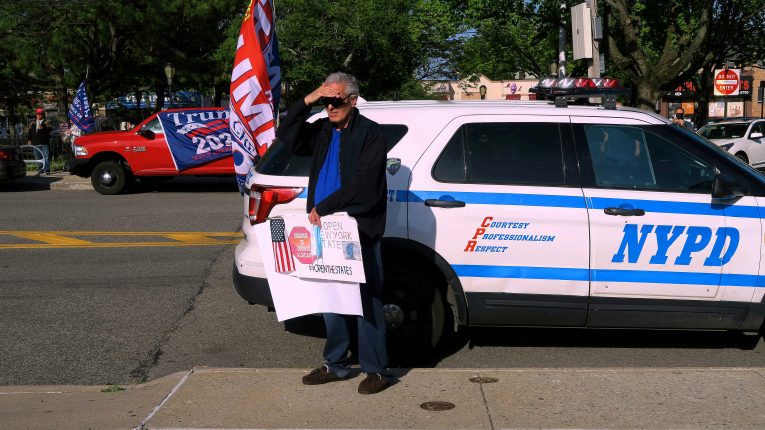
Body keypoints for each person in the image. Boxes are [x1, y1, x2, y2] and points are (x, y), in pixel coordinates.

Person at [276, 72, 392, 395]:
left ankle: (376, 370)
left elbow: (364, 186)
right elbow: (286, 135)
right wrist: (308, 100)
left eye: (336, 100)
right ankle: (336, 364)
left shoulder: (371, 134)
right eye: (326, 101)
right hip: (324, 228)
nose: (330, 106)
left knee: (366, 300)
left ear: (353, 100)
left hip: (357, 228)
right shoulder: (323, 129)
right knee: (332, 299)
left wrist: (325, 206)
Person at [27, 108, 53, 175]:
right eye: (37, 114)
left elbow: (50, 129)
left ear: (42, 115)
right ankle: (40, 169)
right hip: (35, 143)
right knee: (38, 157)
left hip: (44, 142)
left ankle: (47, 169)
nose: (39, 115)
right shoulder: (32, 123)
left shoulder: (46, 122)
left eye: (40, 114)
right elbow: (30, 132)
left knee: (46, 156)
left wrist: (44, 127)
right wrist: (29, 139)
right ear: (36, 115)